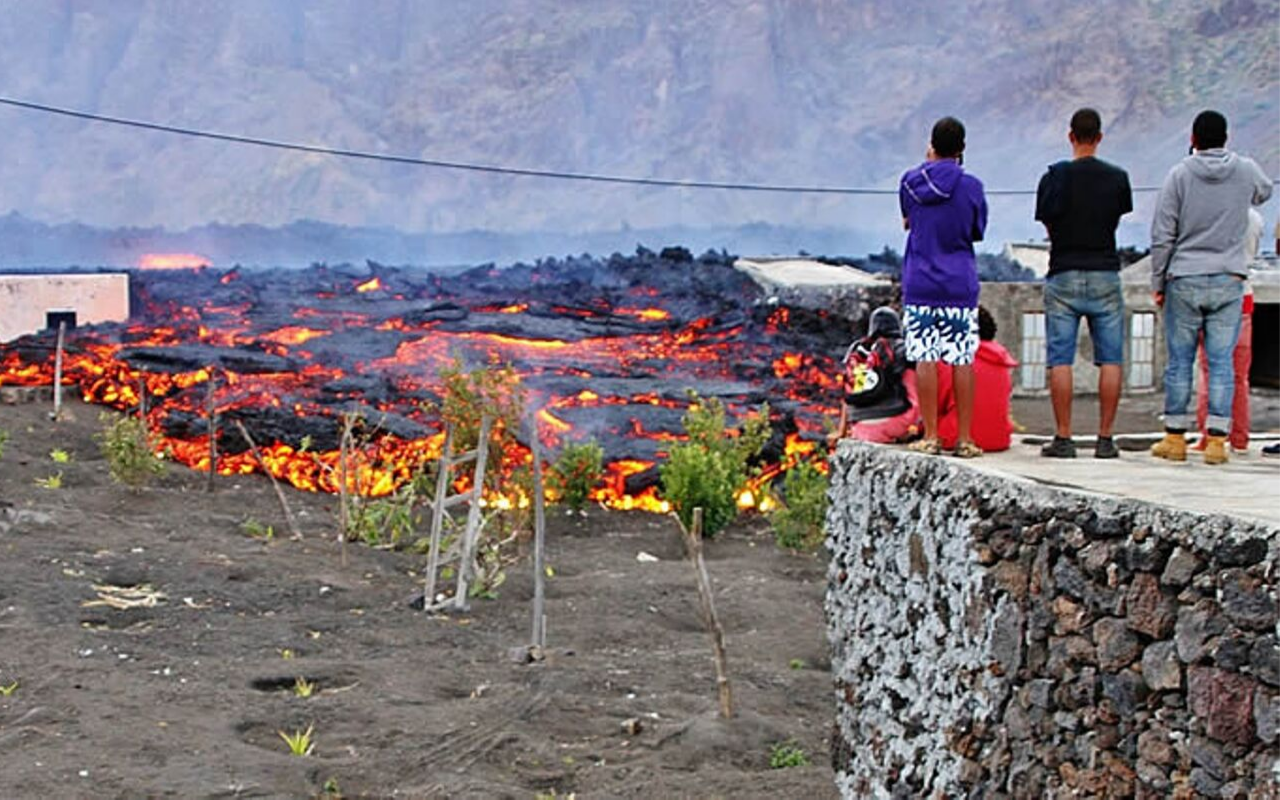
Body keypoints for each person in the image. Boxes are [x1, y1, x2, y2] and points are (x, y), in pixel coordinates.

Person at [1150, 110, 1272, 465]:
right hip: (1229, 279)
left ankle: (1174, 437)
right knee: (1221, 363)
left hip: (1185, 278)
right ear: (1226, 137)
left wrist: (1159, 282)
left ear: (1193, 139)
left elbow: (1162, 235)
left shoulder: (1179, 175)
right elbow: (1263, 191)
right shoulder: (1245, 169)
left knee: (1181, 363)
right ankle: (1217, 442)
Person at [1033, 108, 1133, 459]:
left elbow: (1048, 225)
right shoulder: (1117, 178)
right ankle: (1105, 439)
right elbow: (1116, 218)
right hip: (1105, 271)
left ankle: (1064, 437)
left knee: (1060, 359)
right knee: (1111, 359)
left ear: (1071, 136)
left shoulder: (1053, 178)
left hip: (1063, 272)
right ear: (1100, 137)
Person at [898, 116, 988, 457]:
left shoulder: (910, 182)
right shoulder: (972, 187)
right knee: (961, 358)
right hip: (959, 284)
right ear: (962, 149)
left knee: (925, 357)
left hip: (920, 281)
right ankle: (964, 439)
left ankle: (931, 435)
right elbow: (976, 230)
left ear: (931, 145)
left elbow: (908, 221)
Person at [1191, 208, 1262, 455]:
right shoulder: (1254, 217)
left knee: (1210, 371)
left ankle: (1209, 436)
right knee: (1239, 376)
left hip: (1212, 296)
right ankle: (1240, 437)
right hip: (1243, 295)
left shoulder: (1211, 214)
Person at [830, 306, 920, 444]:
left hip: (860, 427)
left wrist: (841, 431)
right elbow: (915, 396)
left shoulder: (858, 351)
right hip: (896, 423)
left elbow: (850, 394)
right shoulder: (903, 350)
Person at [937, 307, 1018, 452]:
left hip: (954, 437)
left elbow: (935, 405)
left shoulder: (951, 360)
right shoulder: (1000, 361)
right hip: (999, 440)